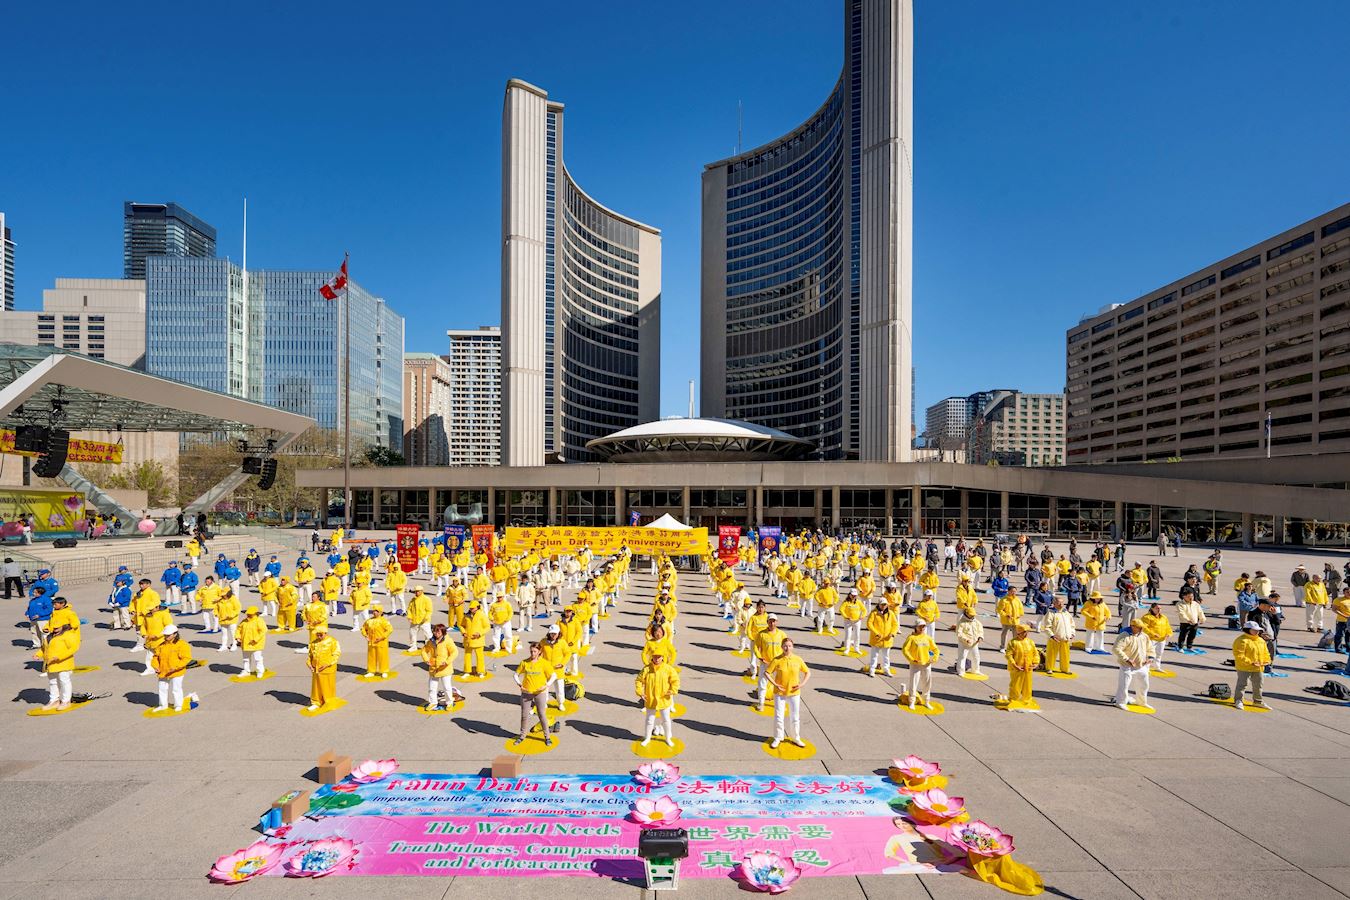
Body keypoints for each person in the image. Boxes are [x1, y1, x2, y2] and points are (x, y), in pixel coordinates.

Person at [767, 637, 810, 749]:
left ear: (793, 647)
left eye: (789, 646)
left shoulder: (798, 659)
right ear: (782, 647)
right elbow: (767, 673)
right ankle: (778, 737)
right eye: (785, 646)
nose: (787, 648)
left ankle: (796, 738)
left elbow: (807, 672)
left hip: (794, 693)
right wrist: (775, 684)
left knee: (795, 717)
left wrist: (802, 684)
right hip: (779, 693)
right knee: (778, 716)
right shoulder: (777, 660)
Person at [635, 650, 680, 747]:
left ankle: (668, 738)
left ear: (663, 657)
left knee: (666, 719)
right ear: (652, 657)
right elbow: (639, 680)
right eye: (655, 656)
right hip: (650, 699)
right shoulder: (646, 669)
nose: (657, 659)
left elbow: (675, 680)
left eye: (659, 656)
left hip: (664, 699)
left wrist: (673, 690)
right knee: (649, 720)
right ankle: (647, 738)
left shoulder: (668, 669)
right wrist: (640, 692)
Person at [514, 641, 555, 745]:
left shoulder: (544, 663)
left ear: (539, 651)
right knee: (524, 715)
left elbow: (554, 676)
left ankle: (547, 737)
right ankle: (522, 735)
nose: (532, 653)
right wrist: (519, 684)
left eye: (535, 651)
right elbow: (515, 674)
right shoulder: (524, 662)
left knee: (542, 715)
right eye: (531, 651)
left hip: (540, 693)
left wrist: (546, 685)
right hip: (526, 692)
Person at [1112, 618, 1155, 710]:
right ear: (1132, 626)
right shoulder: (1124, 635)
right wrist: (1127, 659)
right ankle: (1120, 702)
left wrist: (1150, 658)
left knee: (1144, 685)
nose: (1141, 629)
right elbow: (1116, 649)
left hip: (1141, 665)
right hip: (1127, 665)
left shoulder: (1144, 636)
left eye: (1142, 627)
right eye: (1139, 627)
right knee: (1124, 685)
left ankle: (1141, 702)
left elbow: (1150, 648)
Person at [40, 615, 80, 711]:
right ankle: (54, 701)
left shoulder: (68, 635)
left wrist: (59, 657)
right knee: (53, 682)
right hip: (51, 664)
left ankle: (66, 701)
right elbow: (44, 648)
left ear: (63, 626)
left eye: (57, 628)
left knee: (64, 681)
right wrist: (38, 654)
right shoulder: (49, 636)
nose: (55, 629)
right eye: (53, 628)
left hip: (64, 663)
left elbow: (74, 648)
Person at [1232, 620, 1271, 710]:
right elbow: (1239, 655)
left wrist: (1267, 660)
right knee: (1242, 684)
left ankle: (1258, 701)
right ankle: (1238, 700)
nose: (1257, 631)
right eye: (1254, 630)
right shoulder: (1241, 640)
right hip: (1244, 667)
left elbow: (1266, 652)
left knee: (1258, 685)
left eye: (1258, 630)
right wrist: (1251, 662)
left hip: (1258, 667)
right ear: (1247, 629)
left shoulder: (1260, 640)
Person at [152, 625, 192, 713]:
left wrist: (175, 667)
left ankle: (178, 705)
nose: (166, 637)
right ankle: (163, 705)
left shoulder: (182, 645)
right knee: (162, 688)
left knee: (176, 689)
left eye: (168, 635)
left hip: (177, 672)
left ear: (175, 634)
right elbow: (155, 657)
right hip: (163, 671)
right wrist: (155, 666)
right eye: (165, 635)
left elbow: (186, 658)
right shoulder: (161, 645)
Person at [900, 620, 938, 710]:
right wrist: (911, 659)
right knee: (913, 683)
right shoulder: (911, 638)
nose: (922, 628)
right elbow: (905, 649)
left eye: (923, 626)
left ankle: (926, 701)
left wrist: (933, 658)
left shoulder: (928, 638)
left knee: (927, 683)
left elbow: (935, 649)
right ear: (915, 627)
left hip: (926, 664)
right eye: (920, 626)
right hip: (915, 664)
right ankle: (911, 701)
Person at [753, 614, 786, 710]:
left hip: (778, 664)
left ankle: (780, 704)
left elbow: (786, 647)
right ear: (767, 622)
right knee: (762, 684)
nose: (772, 623)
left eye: (774, 621)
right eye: (770, 621)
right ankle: (761, 703)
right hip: (765, 664)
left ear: (777, 622)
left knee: (780, 684)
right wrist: (760, 657)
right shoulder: (762, 634)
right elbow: (755, 646)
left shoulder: (782, 634)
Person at [306, 627, 341, 711]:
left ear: (325, 633)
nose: (319, 636)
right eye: (317, 635)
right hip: (316, 669)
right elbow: (310, 655)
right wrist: (309, 664)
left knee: (327, 686)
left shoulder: (332, 641)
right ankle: (316, 702)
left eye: (321, 635)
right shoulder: (314, 643)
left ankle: (329, 701)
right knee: (316, 687)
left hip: (328, 669)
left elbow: (336, 654)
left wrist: (327, 664)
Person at [1004, 623, 1038, 707]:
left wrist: (1035, 663)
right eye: (1025, 632)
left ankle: (1027, 700)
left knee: (1027, 686)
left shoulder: (1030, 642)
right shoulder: (1013, 642)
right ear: (1019, 632)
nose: (1026, 634)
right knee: (1015, 685)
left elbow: (1035, 653)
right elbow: (1009, 655)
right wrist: (1014, 664)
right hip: (1017, 669)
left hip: (1028, 668)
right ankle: (1013, 699)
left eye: (1027, 632)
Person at [1040, 597, 1075, 675]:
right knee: (1051, 654)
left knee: (1065, 655)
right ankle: (1049, 668)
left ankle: (1065, 669)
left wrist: (1072, 633)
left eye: (1062, 603)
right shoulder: (1051, 613)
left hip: (1066, 638)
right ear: (1054, 604)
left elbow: (1072, 624)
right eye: (1059, 603)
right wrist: (1052, 635)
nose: (1061, 604)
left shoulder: (1066, 613)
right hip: (1055, 638)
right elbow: (1047, 626)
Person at [951, 606, 984, 676]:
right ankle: (961, 671)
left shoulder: (976, 622)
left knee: (976, 656)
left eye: (973, 615)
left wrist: (980, 637)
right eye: (971, 615)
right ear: (966, 613)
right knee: (962, 657)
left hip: (974, 643)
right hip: (964, 644)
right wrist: (965, 639)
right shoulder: (961, 622)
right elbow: (959, 633)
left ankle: (976, 670)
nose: (972, 616)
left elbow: (980, 630)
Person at [460, 598, 489, 677]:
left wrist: (480, 634)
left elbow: (487, 627)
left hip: (478, 640)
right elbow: (461, 625)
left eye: (473, 608)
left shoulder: (482, 615)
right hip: (468, 640)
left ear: (477, 607)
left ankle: (481, 672)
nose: (471, 609)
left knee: (480, 656)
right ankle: (467, 671)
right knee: (467, 656)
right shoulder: (466, 616)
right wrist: (463, 632)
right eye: (470, 608)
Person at [237, 606, 267, 678]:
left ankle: (260, 671)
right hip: (245, 643)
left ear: (255, 614)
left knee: (258, 658)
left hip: (256, 644)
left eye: (250, 614)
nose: (248, 615)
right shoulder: (244, 621)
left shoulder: (259, 621)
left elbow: (263, 631)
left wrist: (255, 639)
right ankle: (246, 671)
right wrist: (238, 637)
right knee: (246, 659)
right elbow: (238, 629)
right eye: (248, 614)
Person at [839, 589, 865, 655]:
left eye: (855, 595)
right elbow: (841, 610)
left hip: (857, 621)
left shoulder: (858, 602)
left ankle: (857, 648)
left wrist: (862, 616)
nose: (854, 596)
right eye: (852, 595)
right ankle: (847, 649)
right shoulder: (846, 602)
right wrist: (846, 616)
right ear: (849, 595)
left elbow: (864, 610)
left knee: (857, 635)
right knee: (848, 635)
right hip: (848, 621)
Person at [215, 588, 241, 652]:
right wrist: (216, 614)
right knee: (224, 633)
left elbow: (238, 609)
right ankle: (224, 646)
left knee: (233, 633)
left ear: (228, 593)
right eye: (223, 594)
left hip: (232, 620)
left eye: (224, 594)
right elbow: (216, 608)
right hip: (222, 619)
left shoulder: (234, 599)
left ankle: (234, 645)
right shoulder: (220, 600)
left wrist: (231, 615)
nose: (223, 595)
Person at [407, 586, 432, 651]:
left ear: (422, 591)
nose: (416, 592)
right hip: (414, 620)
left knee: (428, 634)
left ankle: (429, 647)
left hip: (424, 621)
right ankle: (413, 646)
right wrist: (409, 617)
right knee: (412, 634)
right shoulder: (413, 599)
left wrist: (425, 618)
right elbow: (409, 609)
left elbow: (429, 610)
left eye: (418, 591)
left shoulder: (426, 599)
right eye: (415, 591)